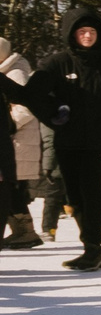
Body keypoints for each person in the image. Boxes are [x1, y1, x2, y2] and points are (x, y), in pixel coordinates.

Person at [24, 2, 101, 270]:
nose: (88, 36)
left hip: (98, 139)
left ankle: (93, 247)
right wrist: (53, 115)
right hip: (67, 140)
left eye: (92, 31)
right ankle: (93, 248)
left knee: (91, 191)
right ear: (71, 33)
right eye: (82, 31)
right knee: (74, 196)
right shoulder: (56, 63)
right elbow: (33, 94)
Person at [1, 37, 45, 249]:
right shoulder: (8, 70)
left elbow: (26, 107)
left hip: (17, 139)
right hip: (14, 139)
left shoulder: (15, 72)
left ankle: (25, 231)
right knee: (10, 187)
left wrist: (9, 125)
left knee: (11, 187)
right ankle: (22, 230)